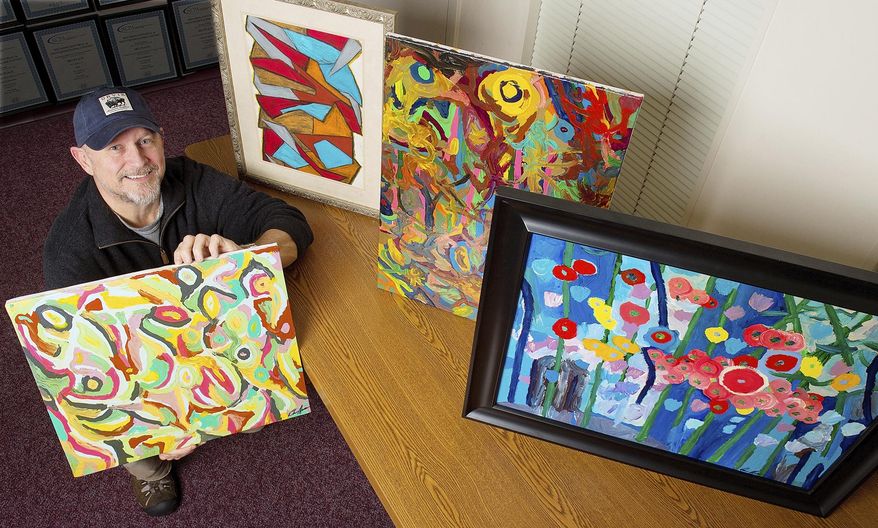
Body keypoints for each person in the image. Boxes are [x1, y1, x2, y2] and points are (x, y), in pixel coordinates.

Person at [43, 86, 313, 516]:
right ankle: (151, 474)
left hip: (207, 326)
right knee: (137, 444)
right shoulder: (68, 251)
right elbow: (82, 368)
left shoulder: (194, 179)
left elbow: (287, 224)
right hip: (134, 359)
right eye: (115, 147)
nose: (138, 161)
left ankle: (238, 395)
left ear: (161, 139)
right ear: (83, 159)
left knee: (272, 367)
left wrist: (245, 259)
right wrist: (161, 425)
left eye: (145, 140)